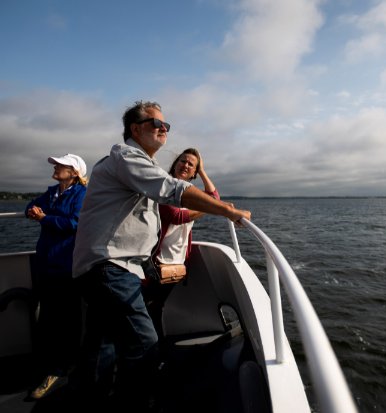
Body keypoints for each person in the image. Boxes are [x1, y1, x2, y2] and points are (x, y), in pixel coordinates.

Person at [70, 101, 251, 410]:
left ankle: (92, 401)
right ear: (136, 129)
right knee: (144, 344)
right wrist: (229, 212)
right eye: (157, 124)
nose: (164, 129)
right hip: (110, 267)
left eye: (167, 126)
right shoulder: (127, 157)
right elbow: (173, 190)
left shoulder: (134, 164)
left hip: (105, 267)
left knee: (103, 345)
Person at [25, 153, 88, 400]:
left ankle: (62, 368)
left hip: (67, 263)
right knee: (47, 317)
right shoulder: (53, 191)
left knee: (66, 318)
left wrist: (45, 218)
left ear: (74, 171)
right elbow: (31, 205)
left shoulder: (81, 194)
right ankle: (48, 366)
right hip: (45, 262)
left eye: (61, 165)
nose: (56, 167)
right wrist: (32, 211)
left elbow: (75, 222)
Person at [143, 148, 219, 347]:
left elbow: (214, 197)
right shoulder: (163, 188)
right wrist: (208, 207)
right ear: (175, 164)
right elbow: (176, 217)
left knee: (156, 307)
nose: (185, 165)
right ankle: (150, 353)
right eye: (183, 161)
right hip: (156, 262)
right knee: (149, 309)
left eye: (191, 164)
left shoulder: (190, 194)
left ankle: (154, 352)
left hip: (177, 263)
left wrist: (202, 171)